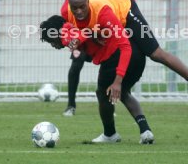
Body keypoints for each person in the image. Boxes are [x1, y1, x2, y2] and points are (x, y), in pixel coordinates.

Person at [62, 0, 188, 113]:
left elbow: (124, 46)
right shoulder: (67, 12)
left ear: (88, 2)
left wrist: (118, 81)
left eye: (82, 7)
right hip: (112, 2)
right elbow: (82, 28)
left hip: (126, 11)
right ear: (69, 5)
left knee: (156, 54)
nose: (79, 11)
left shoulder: (103, 12)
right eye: (75, 8)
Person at [40, 15, 154, 144]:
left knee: (102, 93)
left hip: (115, 55)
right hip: (136, 54)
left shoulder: (66, 33)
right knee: (123, 92)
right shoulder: (78, 24)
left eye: (51, 40)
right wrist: (93, 35)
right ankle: (146, 131)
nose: (53, 45)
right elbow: (89, 30)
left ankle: (110, 134)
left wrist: (79, 38)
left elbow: (82, 32)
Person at [60, 0, 135, 116]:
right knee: (76, 62)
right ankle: (71, 105)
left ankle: (110, 104)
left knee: (110, 65)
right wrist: (66, 19)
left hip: (107, 26)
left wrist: (132, 15)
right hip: (85, 26)